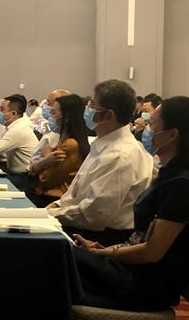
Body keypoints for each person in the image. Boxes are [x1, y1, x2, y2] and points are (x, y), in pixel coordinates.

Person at [72, 97, 189, 311]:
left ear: (172, 134)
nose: (146, 129)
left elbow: (152, 252)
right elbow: (143, 238)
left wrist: (106, 254)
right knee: (61, 254)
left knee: (57, 259)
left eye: (152, 123)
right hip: (133, 271)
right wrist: (106, 249)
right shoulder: (174, 172)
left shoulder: (182, 184)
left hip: (144, 285)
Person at [47, 80, 153, 246]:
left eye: (92, 106)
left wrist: (48, 215)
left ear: (108, 115)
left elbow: (93, 215)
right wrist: (54, 206)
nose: (87, 110)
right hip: (77, 224)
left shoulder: (120, 155)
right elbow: (74, 193)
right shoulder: (103, 144)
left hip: (100, 239)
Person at [27, 94, 90, 207]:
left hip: (52, 198)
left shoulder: (70, 145)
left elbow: (46, 179)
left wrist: (45, 158)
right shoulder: (61, 139)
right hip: (45, 193)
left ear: (66, 117)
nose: (50, 117)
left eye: (53, 113)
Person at [30, 88, 71, 171]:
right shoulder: (51, 132)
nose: (46, 107)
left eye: (49, 104)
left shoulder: (64, 138)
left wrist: (45, 160)